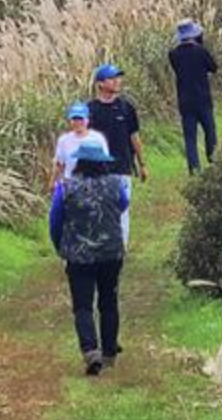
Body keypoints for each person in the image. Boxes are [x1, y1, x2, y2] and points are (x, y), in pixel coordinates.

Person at [48, 137, 128, 376]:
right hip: (111, 253)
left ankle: (90, 351)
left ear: (80, 162)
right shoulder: (117, 183)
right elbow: (122, 206)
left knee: (83, 305)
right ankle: (110, 352)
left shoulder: (66, 188)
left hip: (79, 255)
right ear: (103, 163)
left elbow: (55, 221)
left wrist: (60, 246)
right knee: (109, 302)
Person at [86, 64, 144, 243]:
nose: (118, 82)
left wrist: (143, 164)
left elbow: (134, 137)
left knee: (122, 210)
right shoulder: (90, 110)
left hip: (122, 168)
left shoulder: (126, 108)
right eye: (112, 78)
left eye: (118, 78)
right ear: (100, 84)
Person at [167, 19, 219, 175]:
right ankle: (214, 159)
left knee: (190, 136)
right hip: (203, 98)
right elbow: (213, 67)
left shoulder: (173, 54)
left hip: (185, 100)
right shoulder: (201, 51)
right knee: (210, 130)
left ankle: (194, 168)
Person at [50, 101, 103, 188]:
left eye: (80, 119)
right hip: (69, 184)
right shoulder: (64, 140)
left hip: (91, 185)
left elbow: (103, 165)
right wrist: (53, 182)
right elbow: (59, 165)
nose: (77, 122)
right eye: (74, 119)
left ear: (87, 120)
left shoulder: (97, 139)